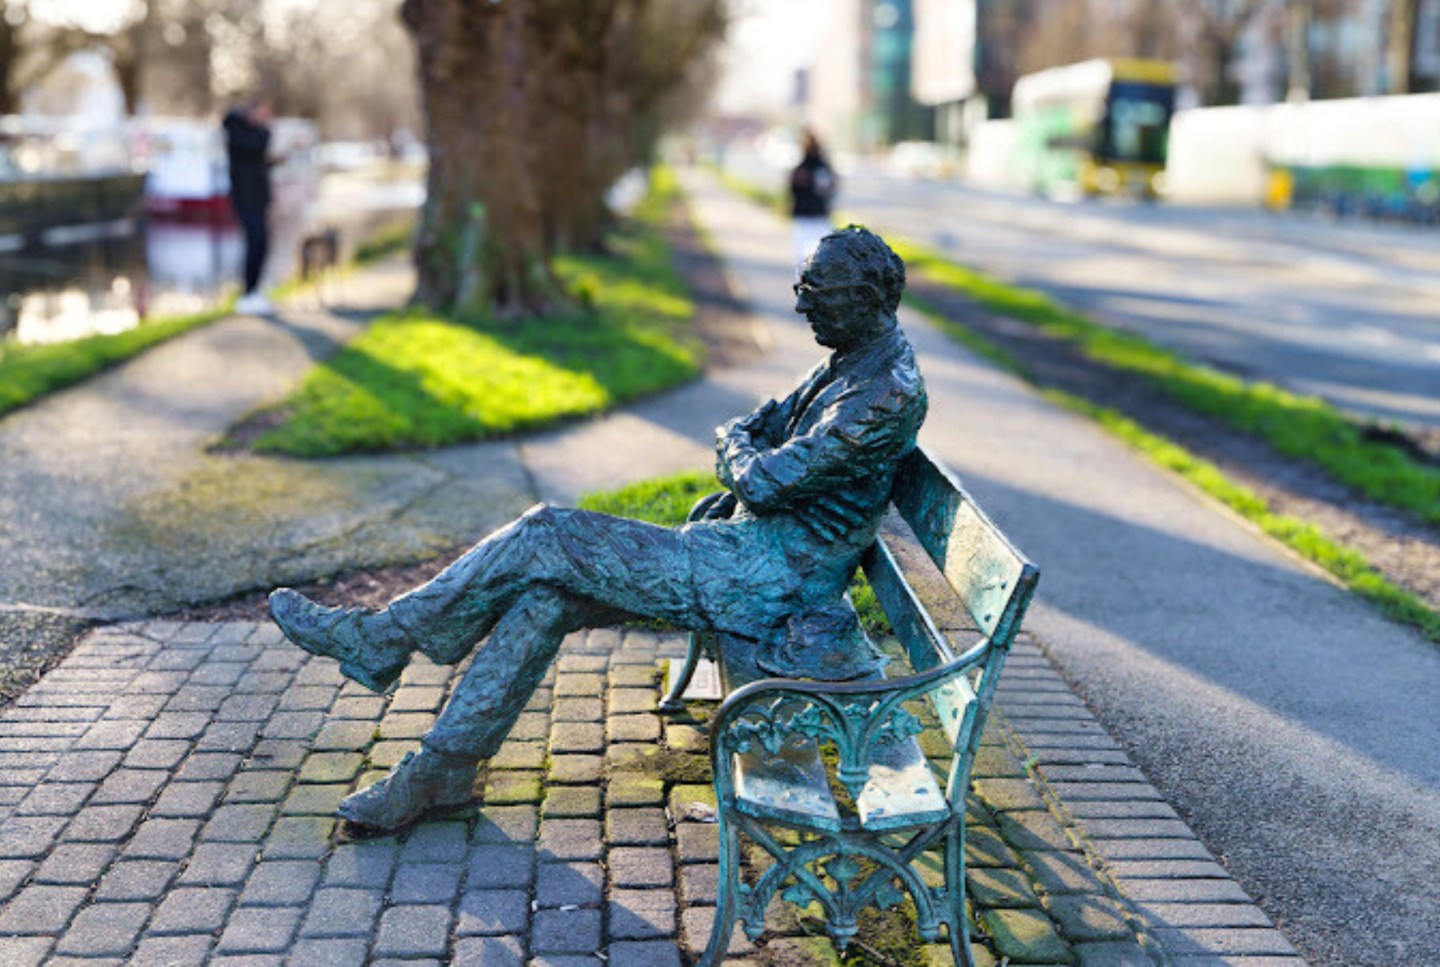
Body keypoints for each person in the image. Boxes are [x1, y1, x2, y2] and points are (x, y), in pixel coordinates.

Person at [268, 226, 928, 831]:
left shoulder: (885, 389)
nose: (800, 305)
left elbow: (758, 475)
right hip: (747, 555)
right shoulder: (851, 358)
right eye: (799, 288)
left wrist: (740, 450)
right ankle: (437, 770)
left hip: (772, 585)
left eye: (815, 292)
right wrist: (744, 447)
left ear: (863, 297)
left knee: (547, 532)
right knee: (544, 596)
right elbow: (758, 430)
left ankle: (382, 637)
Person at [223, 97, 276, 315]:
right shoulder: (237, 131)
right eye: (264, 114)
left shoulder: (249, 133)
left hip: (258, 197)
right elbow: (257, 145)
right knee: (254, 242)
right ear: (252, 112)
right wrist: (265, 128)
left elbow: (258, 159)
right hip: (246, 198)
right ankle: (248, 293)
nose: (267, 120)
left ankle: (254, 290)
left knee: (262, 243)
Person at [789, 130, 838, 270]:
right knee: (803, 258)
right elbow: (793, 188)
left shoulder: (821, 167)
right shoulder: (801, 167)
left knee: (824, 256)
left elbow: (831, 187)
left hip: (819, 216)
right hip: (804, 216)